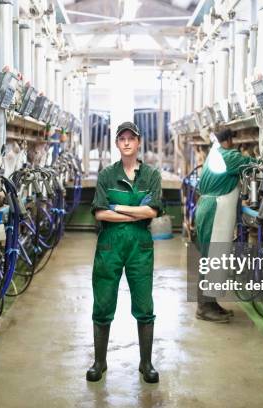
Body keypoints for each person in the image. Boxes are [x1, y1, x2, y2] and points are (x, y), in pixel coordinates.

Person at [87, 121, 163, 383]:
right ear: (117, 143)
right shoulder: (107, 175)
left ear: (139, 142)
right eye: (122, 139)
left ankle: (146, 363)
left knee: (144, 303)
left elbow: (152, 211)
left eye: (132, 138)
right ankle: (99, 362)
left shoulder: (151, 175)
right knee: (103, 301)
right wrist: (135, 212)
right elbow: (99, 212)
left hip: (140, 247)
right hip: (110, 245)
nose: (127, 142)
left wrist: (117, 207)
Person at [194, 128, 256, 323]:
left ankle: (210, 303)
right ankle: (204, 307)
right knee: (212, 257)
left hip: (208, 207)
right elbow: (255, 165)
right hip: (216, 210)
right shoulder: (229, 156)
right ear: (229, 140)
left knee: (212, 256)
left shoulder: (214, 153)